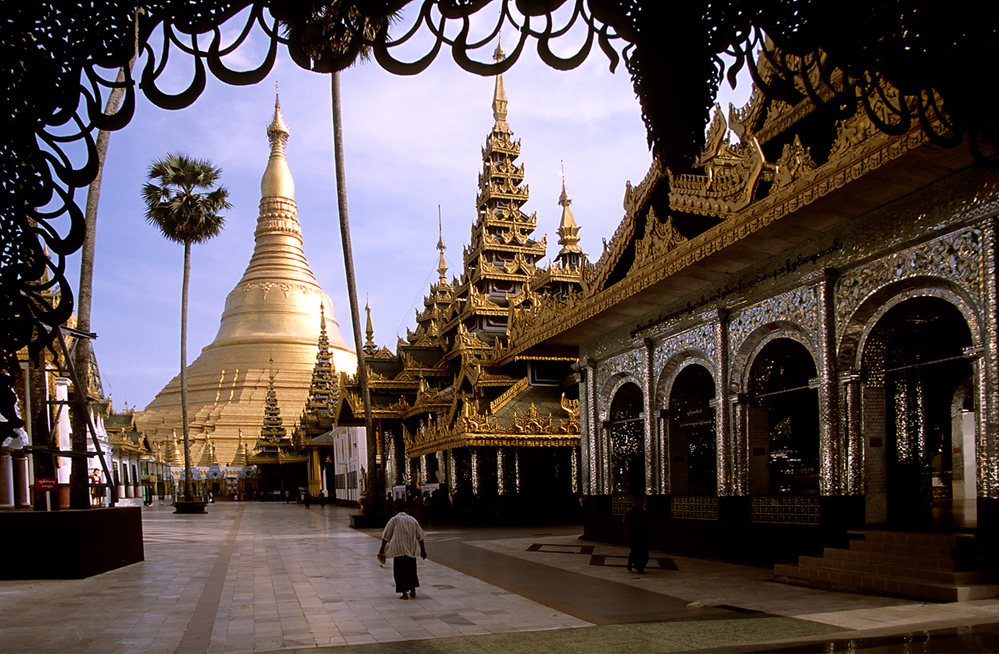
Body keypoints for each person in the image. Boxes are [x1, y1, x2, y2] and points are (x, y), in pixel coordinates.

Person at [379, 500, 427, 600]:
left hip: (398, 551)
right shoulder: (412, 520)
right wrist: (423, 550)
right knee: (411, 570)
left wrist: (382, 549)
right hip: (411, 550)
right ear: (406, 508)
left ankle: (404, 593)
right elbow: (420, 536)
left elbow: (386, 536)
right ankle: (413, 589)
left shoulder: (394, 520)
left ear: (395, 509)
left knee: (400, 572)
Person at [624, 496, 650, 573]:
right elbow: (625, 524)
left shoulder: (642, 511)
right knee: (635, 550)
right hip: (634, 533)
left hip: (642, 533)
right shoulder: (630, 511)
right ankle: (635, 565)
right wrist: (627, 535)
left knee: (642, 551)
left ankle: (640, 566)